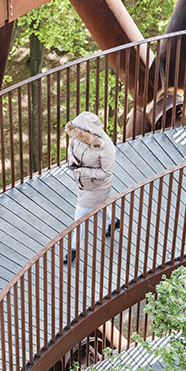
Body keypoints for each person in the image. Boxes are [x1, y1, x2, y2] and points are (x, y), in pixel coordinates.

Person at [64, 111, 119, 263]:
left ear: (88, 133)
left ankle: (73, 249)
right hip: (83, 183)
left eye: (80, 134)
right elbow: (70, 147)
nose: (77, 137)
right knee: (98, 208)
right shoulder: (77, 137)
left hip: (98, 187)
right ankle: (113, 221)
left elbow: (107, 172)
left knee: (79, 217)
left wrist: (83, 171)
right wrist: (72, 159)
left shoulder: (106, 146)